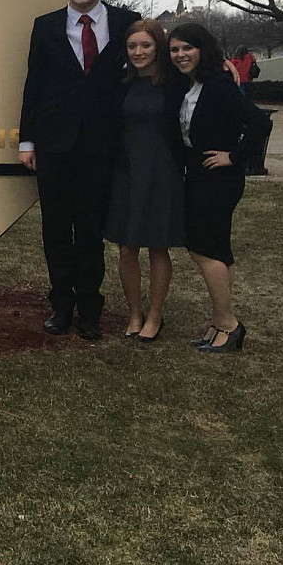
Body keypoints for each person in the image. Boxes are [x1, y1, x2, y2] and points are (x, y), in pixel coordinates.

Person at [18, 0, 139, 339]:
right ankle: (60, 306)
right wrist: (27, 140)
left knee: (90, 229)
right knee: (55, 229)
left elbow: (150, 69)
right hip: (54, 144)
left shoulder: (126, 23)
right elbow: (33, 86)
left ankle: (90, 309)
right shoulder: (46, 26)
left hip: (103, 144)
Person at [167, 23, 272, 354]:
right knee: (215, 249)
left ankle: (229, 324)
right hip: (198, 175)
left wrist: (235, 156)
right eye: (175, 49)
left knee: (204, 249)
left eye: (188, 48)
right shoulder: (191, 84)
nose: (181, 55)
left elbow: (260, 122)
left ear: (202, 49)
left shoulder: (217, 84)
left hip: (217, 179)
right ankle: (219, 323)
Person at [104, 19, 184, 342]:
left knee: (157, 247)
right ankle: (134, 313)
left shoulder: (176, 84)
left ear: (158, 48)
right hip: (126, 172)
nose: (139, 52)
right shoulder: (121, 83)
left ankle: (155, 315)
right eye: (132, 46)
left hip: (162, 172)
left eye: (146, 45)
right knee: (126, 248)